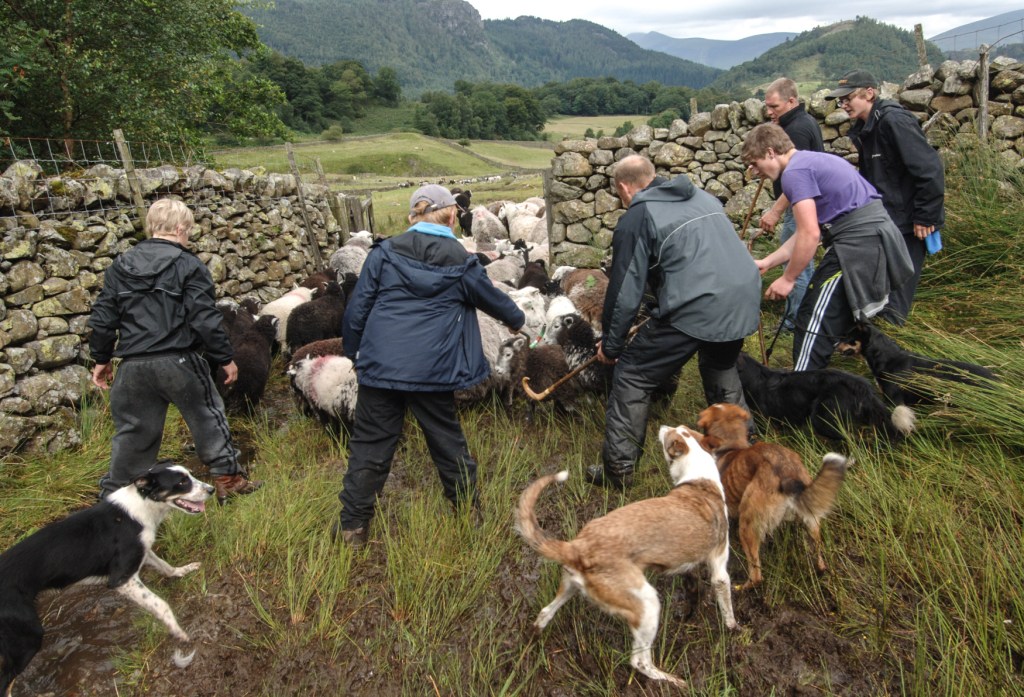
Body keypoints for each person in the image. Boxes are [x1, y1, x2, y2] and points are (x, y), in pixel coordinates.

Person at [336, 184, 525, 546]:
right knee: (446, 439)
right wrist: (517, 320)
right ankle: (467, 512)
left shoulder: (384, 252)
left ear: (412, 216)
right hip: (433, 369)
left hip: (381, 367)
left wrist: (355, 353)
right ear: (453, 216)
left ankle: (353, 528)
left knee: (371, 445)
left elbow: (357, 308)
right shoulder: (462, 259)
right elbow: (492, 300)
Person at [587, 155, 761, 489]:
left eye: (619, 194)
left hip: (697, 305)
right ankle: (743, 451)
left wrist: (611, 345)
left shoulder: (639, 215)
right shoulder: (703, 197)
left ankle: (618, 471)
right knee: (720, 368)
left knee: (633, 376)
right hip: (742, 299)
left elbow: (625, 291)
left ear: (624, 187)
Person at [89, 198, 261, 503]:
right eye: (189, 230)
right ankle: (228, 479)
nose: (189, 236)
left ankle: (114, 500)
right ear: (180, 228)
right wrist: (225, 357)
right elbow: (205, 317)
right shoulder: (188, 265)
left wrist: (101, 358)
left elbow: (104, 316)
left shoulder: (120, 266)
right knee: (208, 416)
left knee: (133, 433)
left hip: (133, 364)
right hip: (178, 359)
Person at [741, 124, 914, 371]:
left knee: (813, 321)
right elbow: (807, 231)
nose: (755, 171)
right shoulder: (812, 161)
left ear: (770, 152)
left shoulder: (794, 173)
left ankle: (803, 390)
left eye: (755, 163)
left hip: (857, 246)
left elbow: (810, 234)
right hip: (870, 239)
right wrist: (769, 262)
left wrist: (788, 279)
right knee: (833, 318)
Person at [827, 69, 945, 324]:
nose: (844, 104)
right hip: (886, 220)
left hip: (910, 223)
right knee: (882, 286)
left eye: (849, 98)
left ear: (869, 93)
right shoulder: (866, 128)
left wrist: (926, 217)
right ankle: (877, 343)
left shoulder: (893, 121)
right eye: (841, 100)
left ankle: (893, 351)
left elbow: (929, 170)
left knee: (899, 291)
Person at [758, 77, 825, 331]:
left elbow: (799, 176)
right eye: (767, 106)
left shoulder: (796, 129)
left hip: (798, 206)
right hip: (800, 203)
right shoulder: (803, 121)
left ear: (792, 101)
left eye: (774, 106)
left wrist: (776, 211)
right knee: (802, 260)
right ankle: (803, 316)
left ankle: (796, 321)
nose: (769, 112)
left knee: (797, 262)